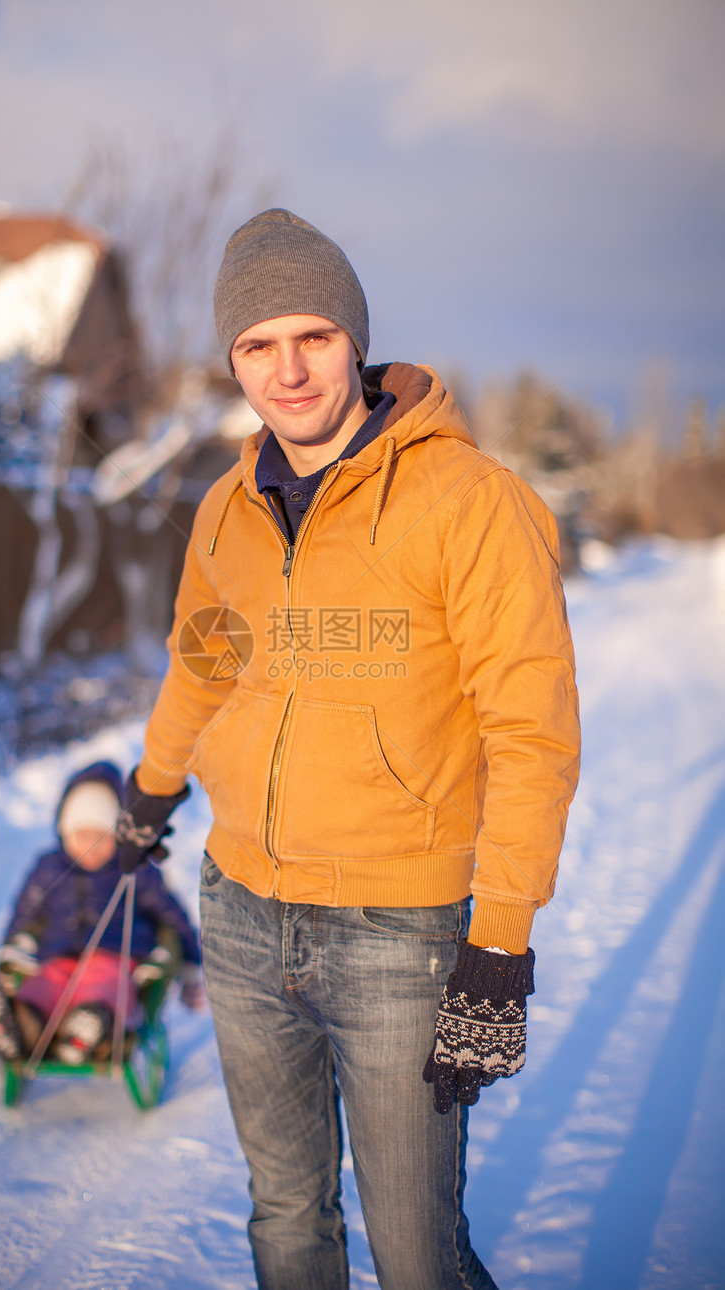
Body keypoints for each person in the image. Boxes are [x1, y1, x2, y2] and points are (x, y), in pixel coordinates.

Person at [117, 210, 581, 1289]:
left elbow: (530, 729)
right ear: (231, 359)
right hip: (237, 910)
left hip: (398, 932)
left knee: (415, 1256)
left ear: (354, 339)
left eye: (311, 337)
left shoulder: (469, 503)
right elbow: (201, 667)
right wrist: (149, 791)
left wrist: (500, 941)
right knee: (284, 1220)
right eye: (255, 346)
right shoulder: (224, 513)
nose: (286, 371)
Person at [0, 761, 203, 1066]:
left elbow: (171, 914)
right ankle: (17, 1026)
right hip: (58, 958)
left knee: (105, 985)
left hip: (116, 959)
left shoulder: (134, 868)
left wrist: (190, 968)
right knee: (43, 986)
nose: (90, 847)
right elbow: (24, 913)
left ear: (119, 834)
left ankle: (90, 1026)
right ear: (64, 832)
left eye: (101, 836)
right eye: (81, 836)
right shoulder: (49, 868)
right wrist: (7, 951)